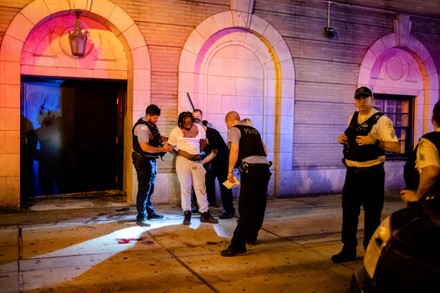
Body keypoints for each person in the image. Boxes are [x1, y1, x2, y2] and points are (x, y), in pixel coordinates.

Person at [332, 86, 400, 263]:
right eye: (358, 98)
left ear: (372, 99)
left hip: (372, 174)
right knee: (349, 213)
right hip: (352, 174)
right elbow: (351, 141)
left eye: (365, 97)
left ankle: (371, 253)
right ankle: (348, 249)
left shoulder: (382, 120)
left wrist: (374, 141)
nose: (362, 101)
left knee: (372, 215)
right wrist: (343, 139)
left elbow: (396, 146)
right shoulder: (352, 117)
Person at [221, 111, 271, 257]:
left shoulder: (234, 130)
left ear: (229, 122)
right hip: (264, 169)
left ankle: (237, 245)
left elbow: (234, 151)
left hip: (251, 172)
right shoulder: (254, 130)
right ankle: (251, 236)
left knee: (246, 208)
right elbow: (265, 152)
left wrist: (230, 171)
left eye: (227, 125)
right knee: (259, 205)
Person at [168, 111, 218, 225]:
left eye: (189, 122)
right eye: (185, 123)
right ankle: (187, 213)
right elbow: (170, 147)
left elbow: (203, 142)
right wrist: (179, 154)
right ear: (181, 122)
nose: (188, 125)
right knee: (186, 188)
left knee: (201, 187)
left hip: (197, 161)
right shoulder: (176, 131)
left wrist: (198, 153)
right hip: (182, 161)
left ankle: (204, 213)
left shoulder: (199, 128)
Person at [132, 104, 173, 227]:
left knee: (150, 188)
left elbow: (157, 137)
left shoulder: (150, 125)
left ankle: (149, 212)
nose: (156, 120)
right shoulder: (142, 127)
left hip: (150, 161)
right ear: (148, 115)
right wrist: (162, 149)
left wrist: (171, 139)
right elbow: (145, 147)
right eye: (155, 118)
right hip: (144, 162)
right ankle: (141, 216)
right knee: (144, 189)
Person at [193, 109, 236, 219]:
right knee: (205, 182)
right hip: (212, 162)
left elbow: (214, 153)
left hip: (222, 161)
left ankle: (229, 210)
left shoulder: (212, 133)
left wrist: (201, 162)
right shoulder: (199, 135)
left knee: (225, 186)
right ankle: (202, 206)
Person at [401, 100, 440, 204]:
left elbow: (431, 172)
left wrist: (417, 196)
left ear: (433, 118)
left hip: (432, 207)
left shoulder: (429, 140)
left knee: (390, 221)